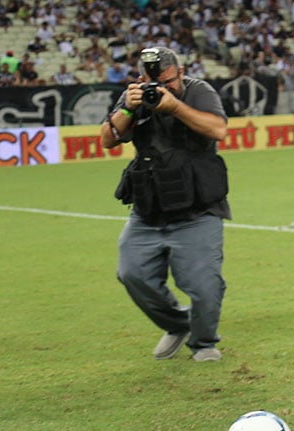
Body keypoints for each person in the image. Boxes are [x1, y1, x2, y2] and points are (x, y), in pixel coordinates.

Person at [99, 47, 231, 362]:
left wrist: (174, 106)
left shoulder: (198, 91)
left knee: (203, 284)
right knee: (132, 273)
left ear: (180, 73)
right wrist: (128, 110)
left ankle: (204, 343)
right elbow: (107, 138)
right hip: (148, 209)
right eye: (151, 81)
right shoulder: (134, 96)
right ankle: (178, 324)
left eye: (168, 81)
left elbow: (218, 130)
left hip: (197, 209)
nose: (160, 88)